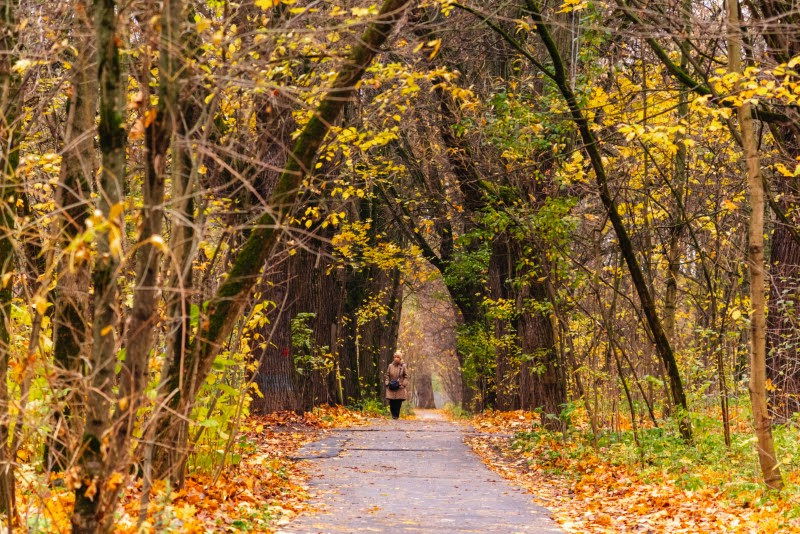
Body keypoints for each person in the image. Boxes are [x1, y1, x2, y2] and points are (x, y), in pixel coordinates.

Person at [384, 351, 408, 419]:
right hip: (391, 386)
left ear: (400, 358)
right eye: (395, 357)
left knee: (398, 402)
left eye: (398, 357)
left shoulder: (403, 366)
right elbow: (387, 375)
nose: (396, 358)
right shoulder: (390, 366)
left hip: (400, 387)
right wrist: (387, 382)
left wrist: (403, 384)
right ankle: (393, 415)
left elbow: (406, 376)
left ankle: (396, 416)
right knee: (392, 402)